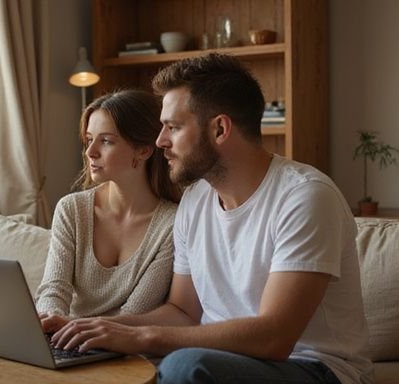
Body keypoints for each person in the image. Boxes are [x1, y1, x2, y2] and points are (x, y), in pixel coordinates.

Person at [50, 53, 373, 384]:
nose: (160, 140)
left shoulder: (305, 197)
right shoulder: (195, 200)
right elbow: (183, 312)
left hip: (312, 368)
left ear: (220, 128)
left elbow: (274, 337)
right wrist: (91, 328)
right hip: (222, 363)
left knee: (183, 367)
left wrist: (143, 338)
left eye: (173, 127)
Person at [0, 89, 180, 338]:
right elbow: (54, 289)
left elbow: (133, 315)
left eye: (106, 141)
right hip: (56, 335)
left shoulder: (171, 223)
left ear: (143, 150)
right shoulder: (73, 209)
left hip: (110, 346)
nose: (90, 152)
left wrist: (70, 327)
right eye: (89, 139)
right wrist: (49, 321)